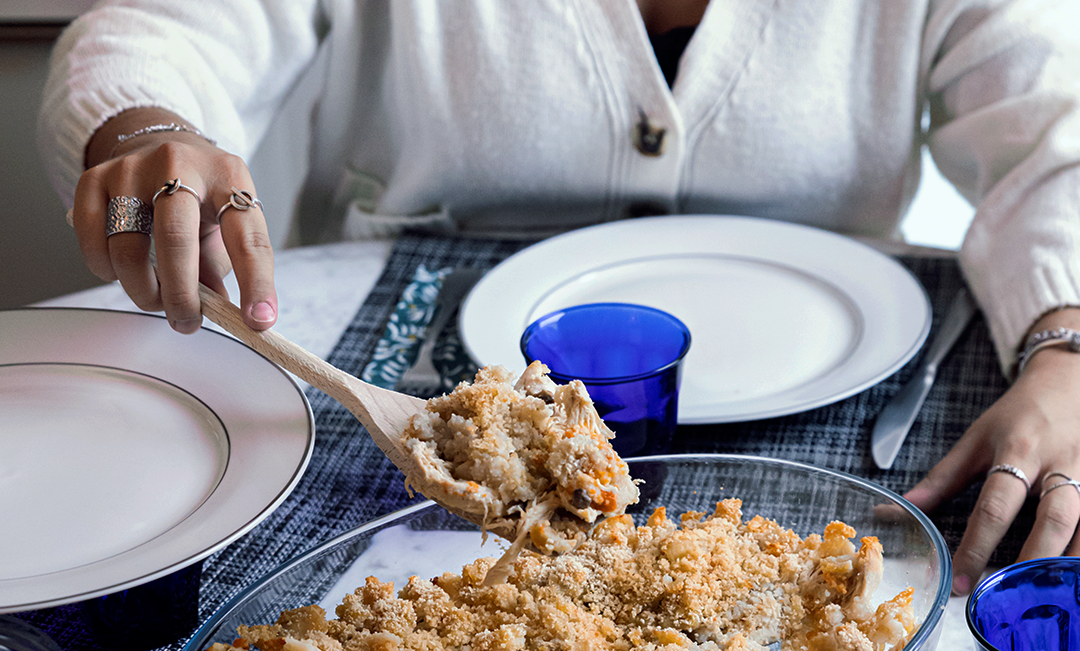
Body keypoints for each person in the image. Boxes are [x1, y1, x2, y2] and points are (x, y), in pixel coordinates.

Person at [37, 0, 1080, 595]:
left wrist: (1068, 340)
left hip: (847, 420)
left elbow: (1054, 132)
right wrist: (141, 133)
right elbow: (151, 30)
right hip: (380, 393)